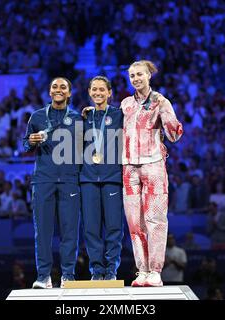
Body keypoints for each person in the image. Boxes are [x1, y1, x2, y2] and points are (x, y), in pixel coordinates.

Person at [121, 60, 183, 287]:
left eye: (139, 74)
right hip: (128, 169)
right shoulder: (125, 104)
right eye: (132, 75)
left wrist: (167, 114)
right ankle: (142, 270)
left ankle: (155, 271)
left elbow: (174, 135)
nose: (135, 78)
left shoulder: (160, 101)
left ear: (149, 76)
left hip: (154, 166)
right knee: (135, 224)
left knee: (155, 220)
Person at [23, 77, 82, 289]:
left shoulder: (77, 118)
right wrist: (30, 141)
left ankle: (68, 276)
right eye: (55, 87)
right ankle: (43, 277)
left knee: (69, 231)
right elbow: (25, 143)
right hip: (43, 180)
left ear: (69, 93)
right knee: (43, 231)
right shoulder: (37, 116)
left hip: (69, 181)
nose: (58, 90)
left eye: (63, 87)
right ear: (49, 92)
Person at [80, 76, 124, 281]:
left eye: (102, 90)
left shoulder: (119, 115)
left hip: (112, 177)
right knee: (91, 228)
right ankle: (97, 270)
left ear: (109, 93)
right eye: (94, 89)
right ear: (89, 92)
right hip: (88, 178)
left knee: (114, 227)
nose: (98, 93)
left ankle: (111, 270)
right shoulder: (84, 117)